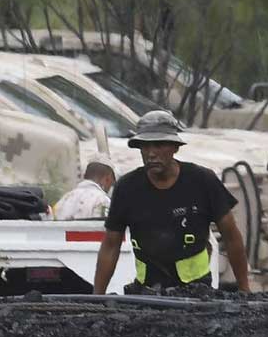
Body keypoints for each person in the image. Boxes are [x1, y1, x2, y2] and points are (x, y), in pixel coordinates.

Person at [93, 110, 250, 294]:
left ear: (175, 147)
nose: (151, 153)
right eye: (145, 146)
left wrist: (244, 290)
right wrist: (98, 296)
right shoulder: (127, 188)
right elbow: (111, 245)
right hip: (147, 292)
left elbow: (232, 237)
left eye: (159, 145)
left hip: (196, 292)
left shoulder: (202, 181)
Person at [53, 153, 116, 220]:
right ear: (107, 179)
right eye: (111, 184)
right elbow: (104, 228)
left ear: (84, 176)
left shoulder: (64, 199)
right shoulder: (103, 200)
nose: (110, 188)